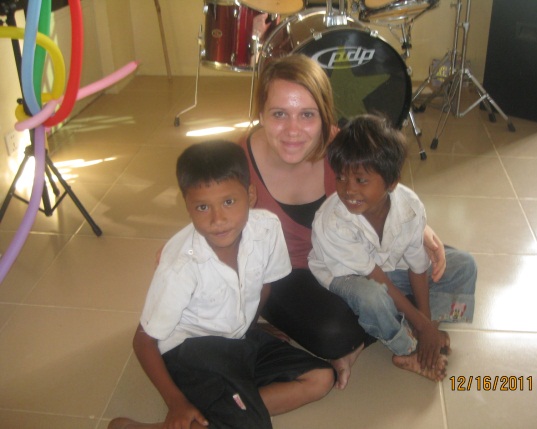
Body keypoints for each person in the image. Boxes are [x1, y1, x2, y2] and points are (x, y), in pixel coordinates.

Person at [239, 54, 476, 389]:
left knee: (459, 265)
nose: (293, 130)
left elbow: (383, 182)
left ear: (324, 116)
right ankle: (396, 329)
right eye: (279, 114)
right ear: (260, 113)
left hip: (367, 253)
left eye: (307, 114)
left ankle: (411, 324)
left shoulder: (340, 144)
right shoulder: (237, 163)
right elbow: (217, 230)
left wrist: (420, 228)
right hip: (294, 273)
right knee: (336, 334)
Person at [109, 141, 335, 429]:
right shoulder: (181, 266)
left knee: (321, 378)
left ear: (250, 196)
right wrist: (176, 402)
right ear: (188, 207)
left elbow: (264, 286)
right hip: (193, 351)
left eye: (229, 202)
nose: (218, 219)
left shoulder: (267, 229)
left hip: (238, 339)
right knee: (253, 426)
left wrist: (251, 325)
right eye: (203, 207)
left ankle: (229, 410)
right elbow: (143, 341)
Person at [309, 114, 476, 381]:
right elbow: (376, 278)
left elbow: (418, 265)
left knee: (464, 264)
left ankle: (427, 331)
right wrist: (421, 325)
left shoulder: (409, 206)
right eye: (340, 178)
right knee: (372, 297)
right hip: (348, 277)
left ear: (391, 182)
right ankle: (407, 348)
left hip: (389, 267)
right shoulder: (332, 221)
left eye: (361, 180)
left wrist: (426, 322)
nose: (348, 190)